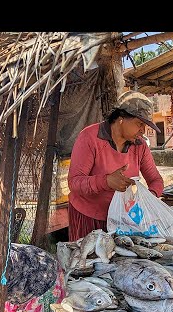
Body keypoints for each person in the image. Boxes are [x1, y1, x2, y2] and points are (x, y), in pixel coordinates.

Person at [67, 90, 165, 242]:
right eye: (139, 124)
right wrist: (106, 181)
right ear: (121, 119)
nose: (142, 131)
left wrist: (149, 198)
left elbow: (156, 180)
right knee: (88, 261)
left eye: (144, 126)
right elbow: (74, 182)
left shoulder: (139, 146)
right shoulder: (90, 138)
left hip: (122, 219)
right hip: (89, 217)